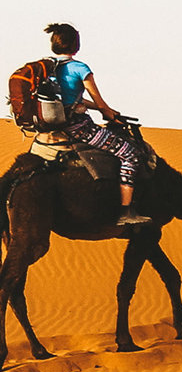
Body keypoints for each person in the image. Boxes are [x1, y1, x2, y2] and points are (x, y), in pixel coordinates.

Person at [29, 24, 155, 224]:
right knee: (129, 153)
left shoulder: (47, 68)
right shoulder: (80, 68)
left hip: (55, 125)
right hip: (79, 128)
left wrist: (100, 109)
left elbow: (70, 99)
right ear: (76, 45)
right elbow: (98, 100)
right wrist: (108, 112)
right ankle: (126, 211)